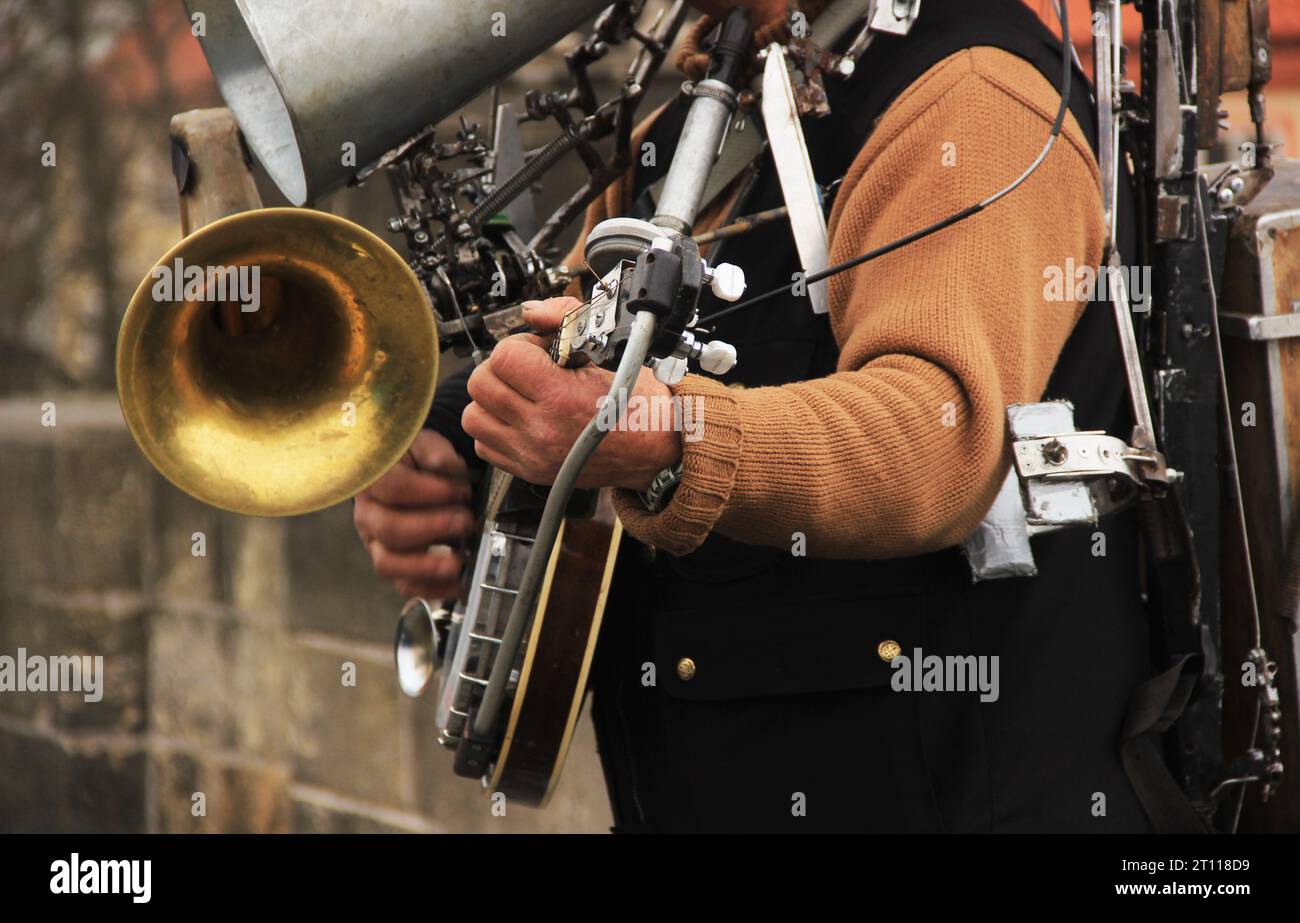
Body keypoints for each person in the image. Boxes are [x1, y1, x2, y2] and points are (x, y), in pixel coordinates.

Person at [352, 0, 1156, 832]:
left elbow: (935, 436)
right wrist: (449, 435)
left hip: (950, 792)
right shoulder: (696, 114)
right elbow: (577, 341)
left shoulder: (975, 97)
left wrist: (667, 439)